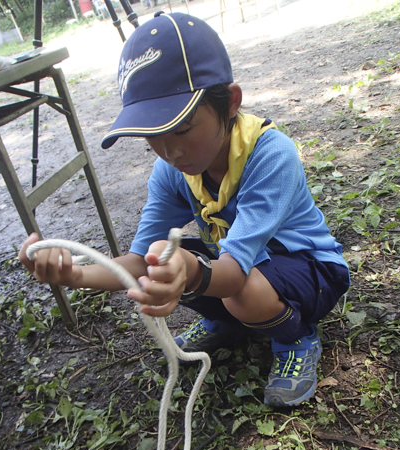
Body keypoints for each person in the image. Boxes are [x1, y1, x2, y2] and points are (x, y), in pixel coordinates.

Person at [19, 12, 350, 408]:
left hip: (310, 270)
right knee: (165, 256)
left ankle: (294, 336)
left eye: (182, 128)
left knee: (233, 290)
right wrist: (75, 274)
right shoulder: (171, 171)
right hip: (238, 269)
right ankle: (231, 325)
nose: (169, 151)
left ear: (230, 102)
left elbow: (230, 273)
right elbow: (140, 262)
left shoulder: (270, 154)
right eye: (152, 137)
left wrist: (191, 272)